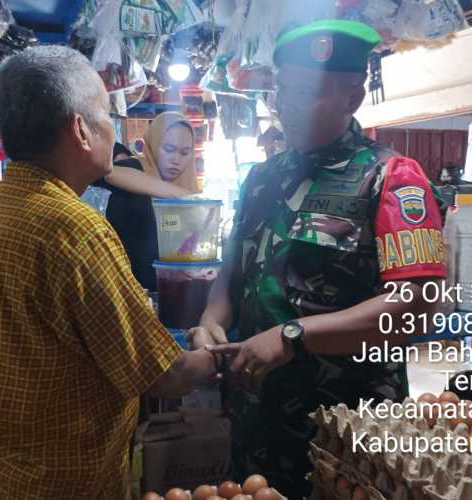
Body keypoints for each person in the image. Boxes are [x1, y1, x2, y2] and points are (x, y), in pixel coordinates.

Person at [0, 46, 220, 500]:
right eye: (107, 112)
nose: (115, 129)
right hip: (62, 482)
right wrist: (215, 360)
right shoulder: (76, 229)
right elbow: (159, 374)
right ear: (80, 129)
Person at [189, 20, 447, 497]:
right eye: (282, 89)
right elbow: (233, 269)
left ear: (353, 97)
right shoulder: (262, 178)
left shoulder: (391, 178)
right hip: (258, 423)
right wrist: (211, 316)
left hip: (351, 437)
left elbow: (416, 303)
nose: (286, 105)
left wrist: (294, 334)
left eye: (307, 92)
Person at [96, 112, 199, 290]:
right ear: (153, 144)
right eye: (168, 149)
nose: (176, 160)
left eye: (184, 153)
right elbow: (108, 174)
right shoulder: (133, 170)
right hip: (124, 290)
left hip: (169, 294)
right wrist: (180, 195)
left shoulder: (189, 187)